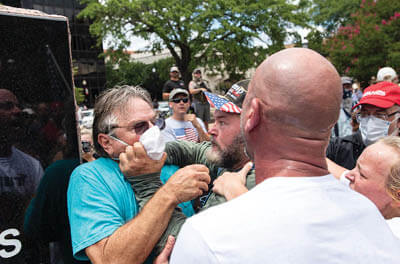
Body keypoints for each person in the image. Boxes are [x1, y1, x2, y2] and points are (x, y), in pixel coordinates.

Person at [170, 48, 400, 263]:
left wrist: (156, 190)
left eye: (224, 120)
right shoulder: (378, 221)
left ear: (252, 115)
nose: (213, 128)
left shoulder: (209, 235)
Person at [67, 85, 210, 263]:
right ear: (107, 142)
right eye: (140, 126)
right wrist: (169, 194)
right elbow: (110, 260)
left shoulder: (169, 164)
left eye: (155, 122)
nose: (154, 132)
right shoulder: (90, 178)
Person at [120, 80, 254, 258]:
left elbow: (184, 247)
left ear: (252, 128)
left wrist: (145, 182)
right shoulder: (235, 159)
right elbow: (191, 150)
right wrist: (150, 151)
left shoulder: (252, 181)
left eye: (222, 123)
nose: (212, 129)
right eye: (214, 119)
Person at [327, 81, 400, 169]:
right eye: (365, 114)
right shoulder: (339, 148)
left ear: (398, 120)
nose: (370, 122)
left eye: (380, 115)